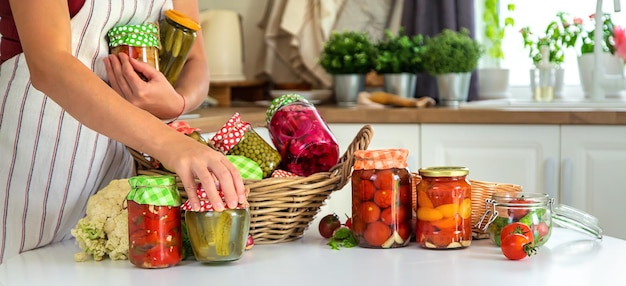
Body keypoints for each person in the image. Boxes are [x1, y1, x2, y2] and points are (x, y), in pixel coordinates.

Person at [0, 0, 246, 264]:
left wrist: (179, 102)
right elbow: (49, 65)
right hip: (33, 156)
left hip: (118, 166)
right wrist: (170, 143)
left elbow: (194, 60)